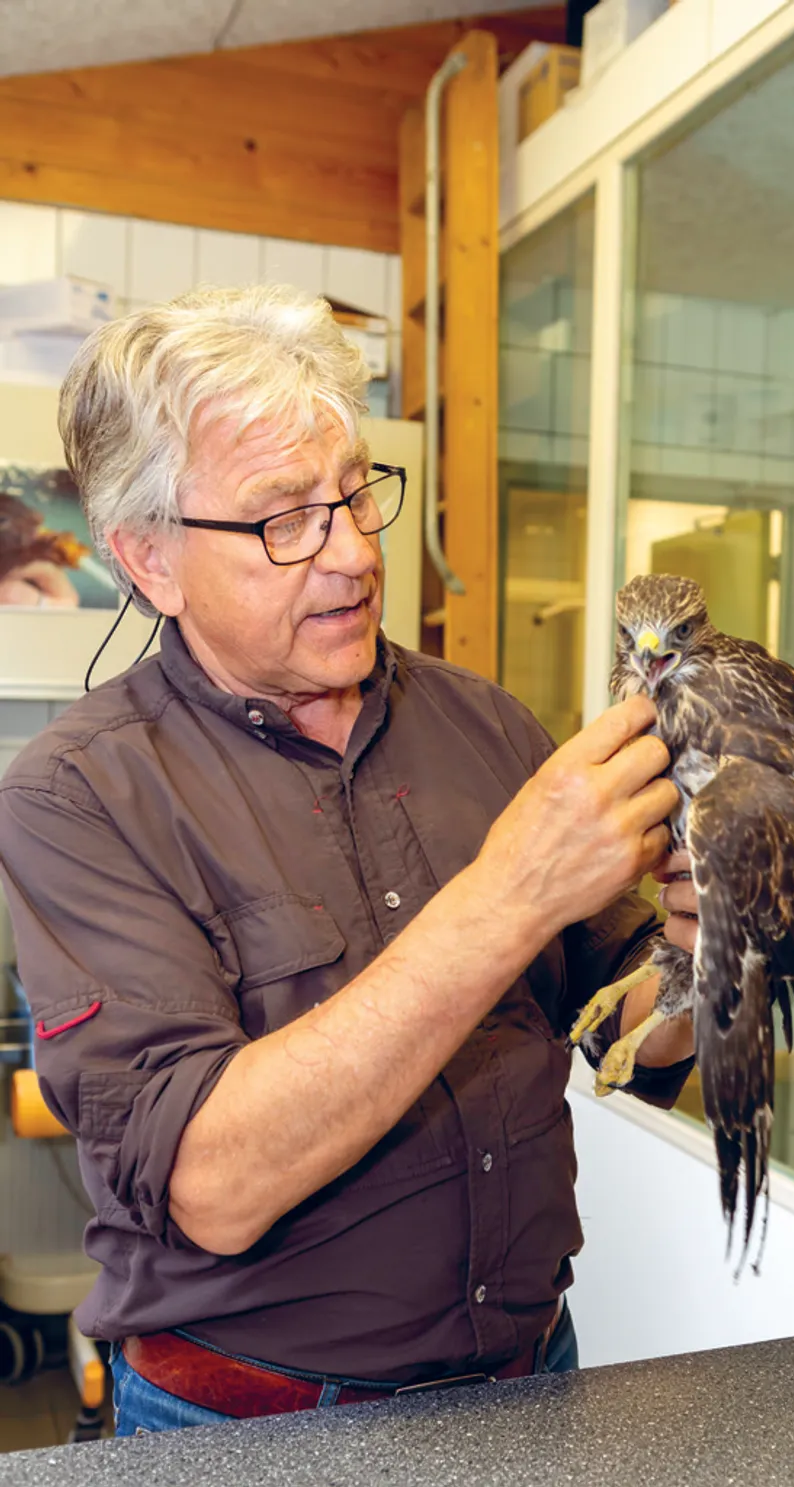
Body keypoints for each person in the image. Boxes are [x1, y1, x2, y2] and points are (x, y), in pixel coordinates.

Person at [0, 286, 699, 1437]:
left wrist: (700, 952)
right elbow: (212, 1184)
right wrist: (508, 892)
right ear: (149, 560)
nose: (352, 553)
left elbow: (630, 1028)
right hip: (249, 1428)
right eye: (284, 518)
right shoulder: (78, 794)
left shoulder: (485, 724)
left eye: (356, 492)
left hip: (531, 1380)